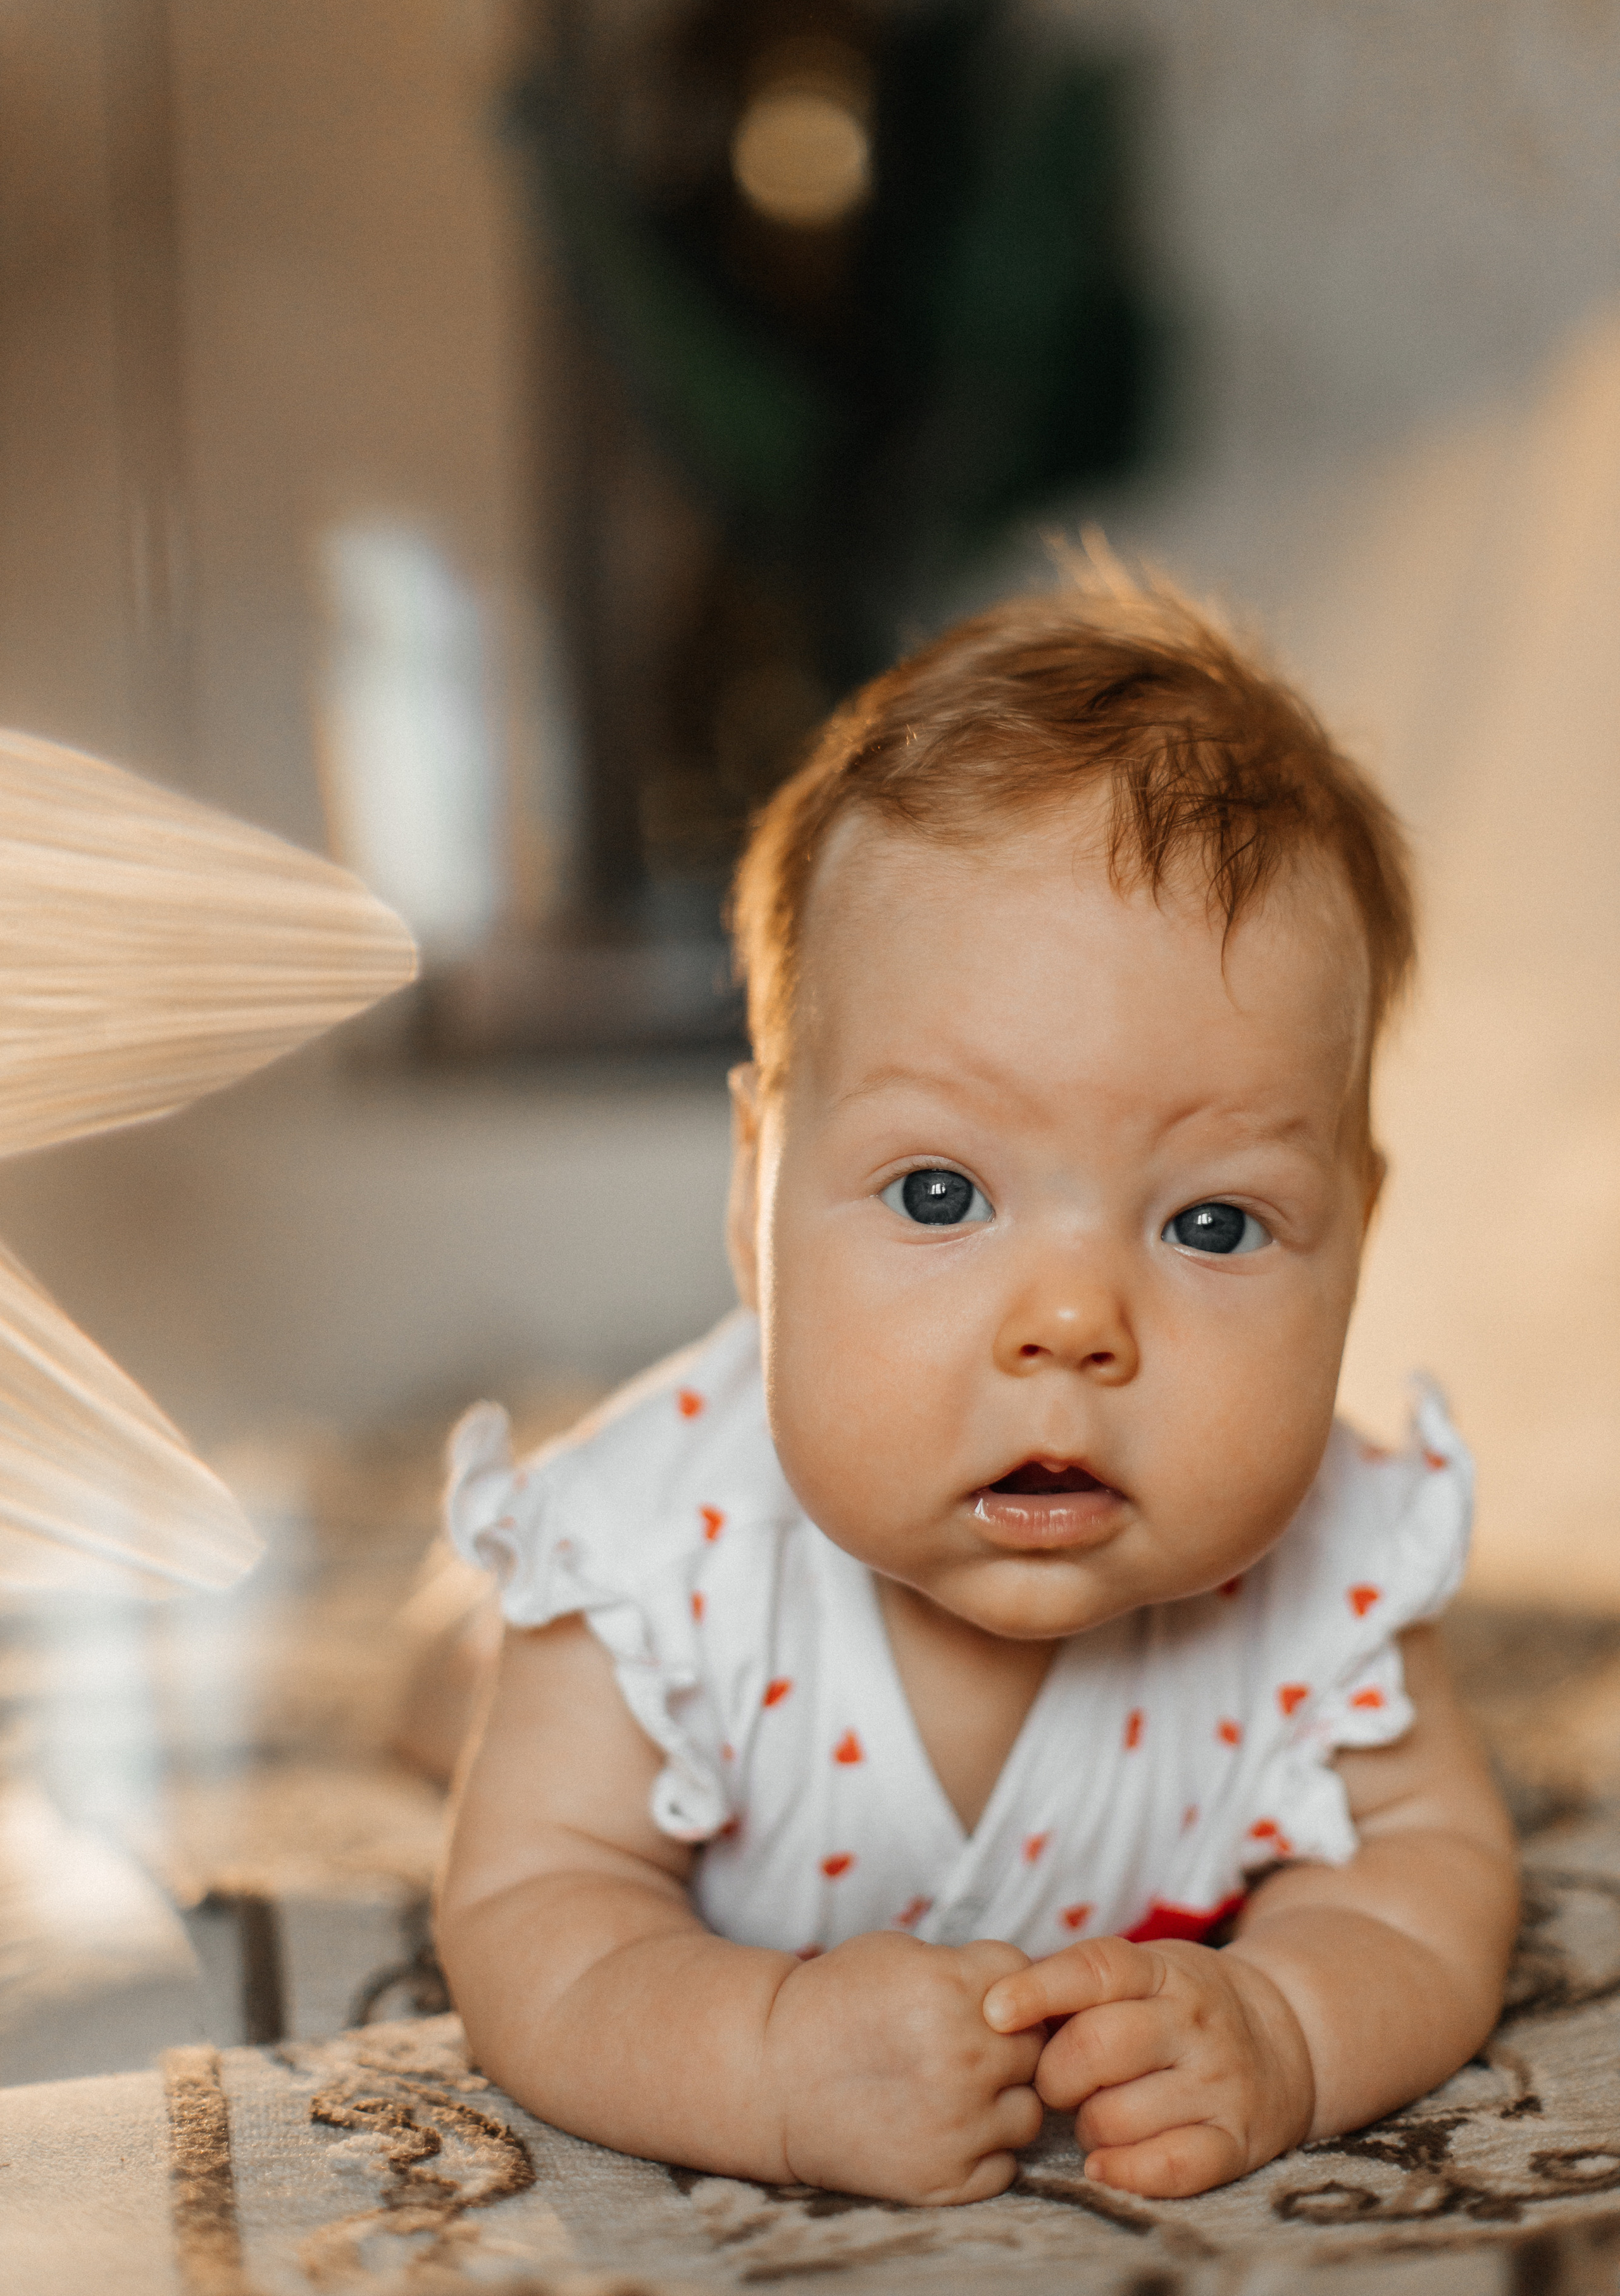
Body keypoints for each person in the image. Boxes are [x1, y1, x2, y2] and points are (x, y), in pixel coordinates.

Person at [435, 563, 1517, 2207]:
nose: (1072, 1325)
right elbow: (536, 1913)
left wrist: (1291, 2022)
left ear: (1355, 1244)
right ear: (755, 1196)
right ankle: (444, 1631)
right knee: (477, 1693)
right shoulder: (651, 1564)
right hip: (587, 1613)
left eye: (1213, 1224)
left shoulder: (1337, 1581)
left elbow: (1426, 1879)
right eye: (940, 1194)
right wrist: (764, 2056)